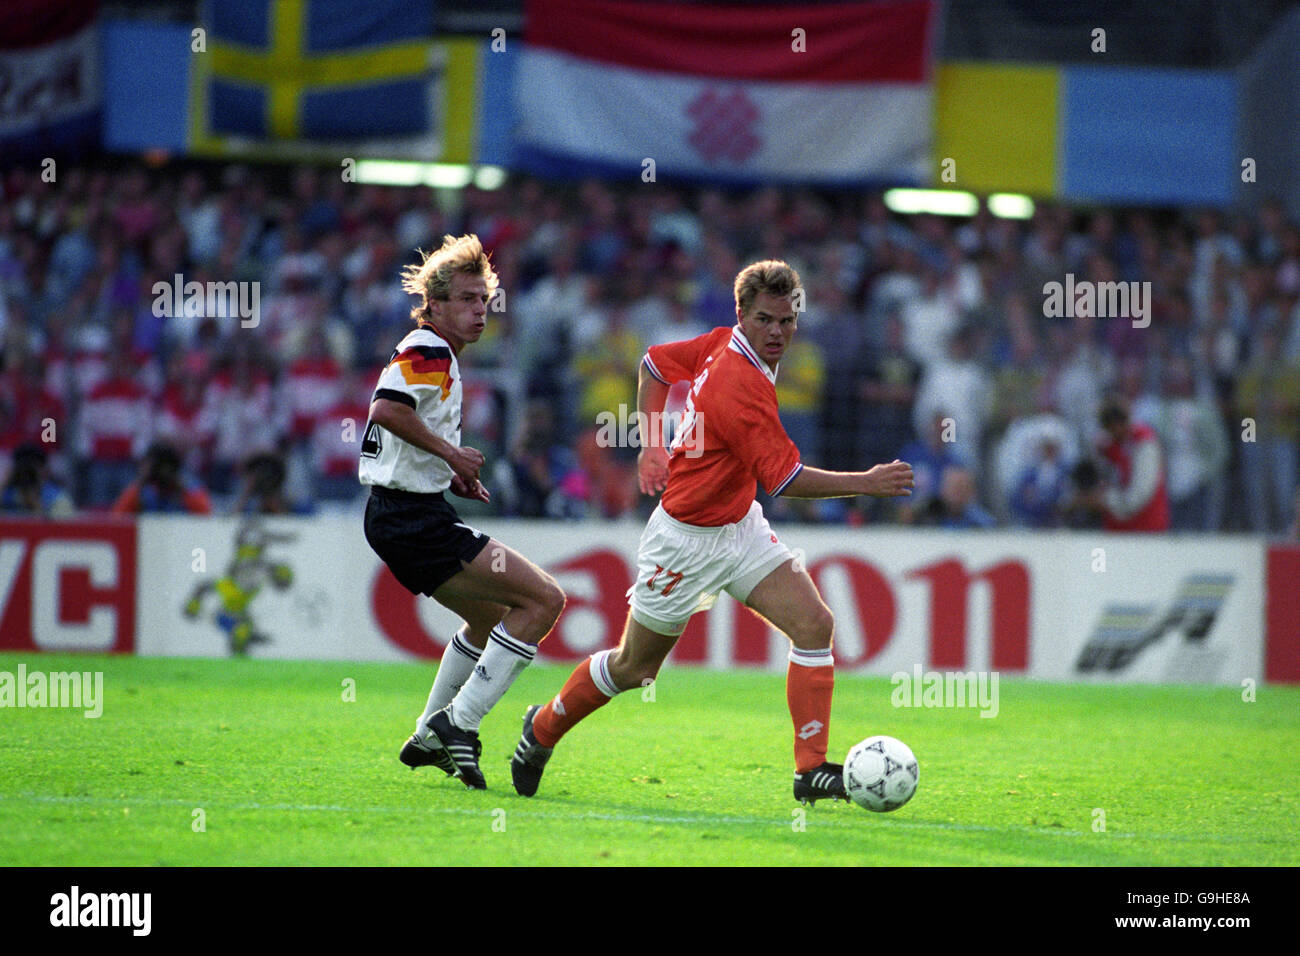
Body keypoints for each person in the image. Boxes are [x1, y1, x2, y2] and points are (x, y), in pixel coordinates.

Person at [509, 260, 914, 804]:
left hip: (738, 526)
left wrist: (653, 442)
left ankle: (809, 769)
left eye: (788, 320)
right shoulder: (740, 384)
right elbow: (786, 480)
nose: (778, 332)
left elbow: (653, 364)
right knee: (635, 668)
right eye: (766, 320)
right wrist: (867, 482)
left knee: (815, 624)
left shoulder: (723, 342)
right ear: (742, 314)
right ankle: (541, 730)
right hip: (685, 542)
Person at [361, 234, 565, 790]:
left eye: (485, 300)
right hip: (411, 519)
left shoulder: (435, 353)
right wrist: (452, 453)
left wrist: (446, 472)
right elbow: (384, 411)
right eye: (469, 300)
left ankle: (429, 737)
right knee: (545, 599)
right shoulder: (429, 348)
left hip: (401, 512)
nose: (481, 311)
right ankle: (459, 724)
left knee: (486, 618)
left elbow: (401, 426)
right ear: (437, 303)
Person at [110, 442, 212, 515]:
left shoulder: (189, 486)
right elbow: (117, 517)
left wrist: (179, 488)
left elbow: (206, 514)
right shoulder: (144, 491)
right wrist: (141, 481)